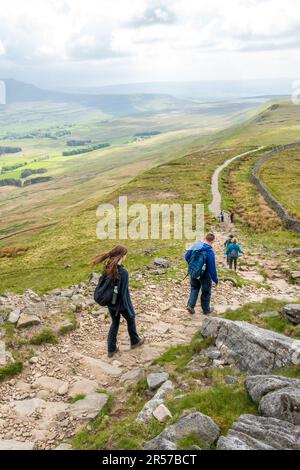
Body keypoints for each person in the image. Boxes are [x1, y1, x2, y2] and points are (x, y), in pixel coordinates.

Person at [92, 245, 144, 358]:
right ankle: (135, 341)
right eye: (125, 255)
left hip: (111, 303)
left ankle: (111, 349)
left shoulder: (108, 268)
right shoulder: (123, 273)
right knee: (131, 318)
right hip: (121, 304)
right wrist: (129, 309)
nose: (126, 256)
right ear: (122, 256)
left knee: (115, 323)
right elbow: (123, 293)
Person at [185, 232, 218, 315]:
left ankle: (190, 306)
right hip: (205, 275)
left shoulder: (196, 246)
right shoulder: (210, 252)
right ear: (212, 241)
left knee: (194, 288)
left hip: (194, 272)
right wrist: (215, 279)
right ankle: (206, 310)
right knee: (206, 292)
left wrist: (193, 266)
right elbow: (212, 268)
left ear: (205, 238)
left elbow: (186, 256)